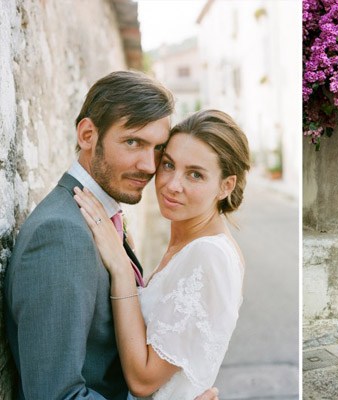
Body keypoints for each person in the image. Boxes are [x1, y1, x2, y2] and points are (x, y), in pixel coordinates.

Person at [4, 71, 217, 400]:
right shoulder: (61, 234)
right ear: (88, 134)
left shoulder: (102, 217)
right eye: (133, 142)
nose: (149, 165)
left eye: (158, 148)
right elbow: (55, 395)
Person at [73, 109, 250, 399]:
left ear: (225, 186)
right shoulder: (187, 244)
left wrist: (120, 267)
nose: (172, 184)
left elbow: (143, 381)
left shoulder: (209, 255)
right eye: (168, 165)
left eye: (195, 174)